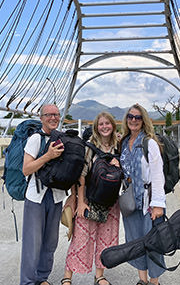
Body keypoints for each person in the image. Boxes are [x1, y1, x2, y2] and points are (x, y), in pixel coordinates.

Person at [62, 112, 120, 285]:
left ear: (113, 126)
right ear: (96, 127)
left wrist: (120, 165)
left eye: (107, 123)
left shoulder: (119, 147)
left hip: (111, 202)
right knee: (80, 238)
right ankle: (67, 276)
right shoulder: (90, 147)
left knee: (106, 238)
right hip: (89, 199)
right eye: (101, 124)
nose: (104, 127)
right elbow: (81, 176)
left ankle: (99, 275)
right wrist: (80, 202)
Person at [119, 104, 166, 285]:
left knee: (153, 243)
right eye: (130, 116)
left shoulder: (149, 143)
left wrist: (158, 204)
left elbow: (157, 174)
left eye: (138, 117)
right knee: (135, 242)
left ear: (143, 120)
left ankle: (154, 281)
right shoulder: (123, 143)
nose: (133, 120)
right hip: (130, 201)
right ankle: (142, 280)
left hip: (148, 201)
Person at [20, 103, 66, 285]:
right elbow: (26, 169)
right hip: (36, 197)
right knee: (33, 243)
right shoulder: (35, 139)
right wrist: (48, 155)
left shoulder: (62, 139)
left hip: (55, 196)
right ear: (41, 118)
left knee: (50, 242)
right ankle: (28, 281)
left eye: (56, 114)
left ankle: (42, 277)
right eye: (49, 115)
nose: (53, 118)